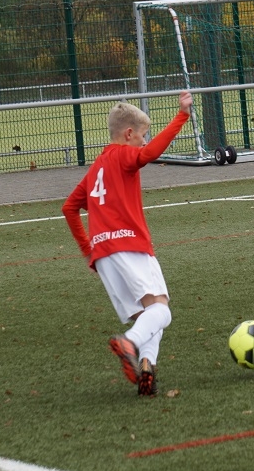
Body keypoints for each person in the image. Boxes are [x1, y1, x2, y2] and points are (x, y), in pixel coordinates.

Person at [62, 93, 192, 396]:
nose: (144, 142)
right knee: (162, 312)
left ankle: (147, 367)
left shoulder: (97, 167)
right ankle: (129, 343)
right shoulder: (122, 155)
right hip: (129, 246)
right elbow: (150, 154)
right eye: (143, 136)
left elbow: (69, 208)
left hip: (104, 255)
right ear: (129, 133)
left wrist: (88, 250)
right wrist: (182, 116)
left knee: (148, 316)